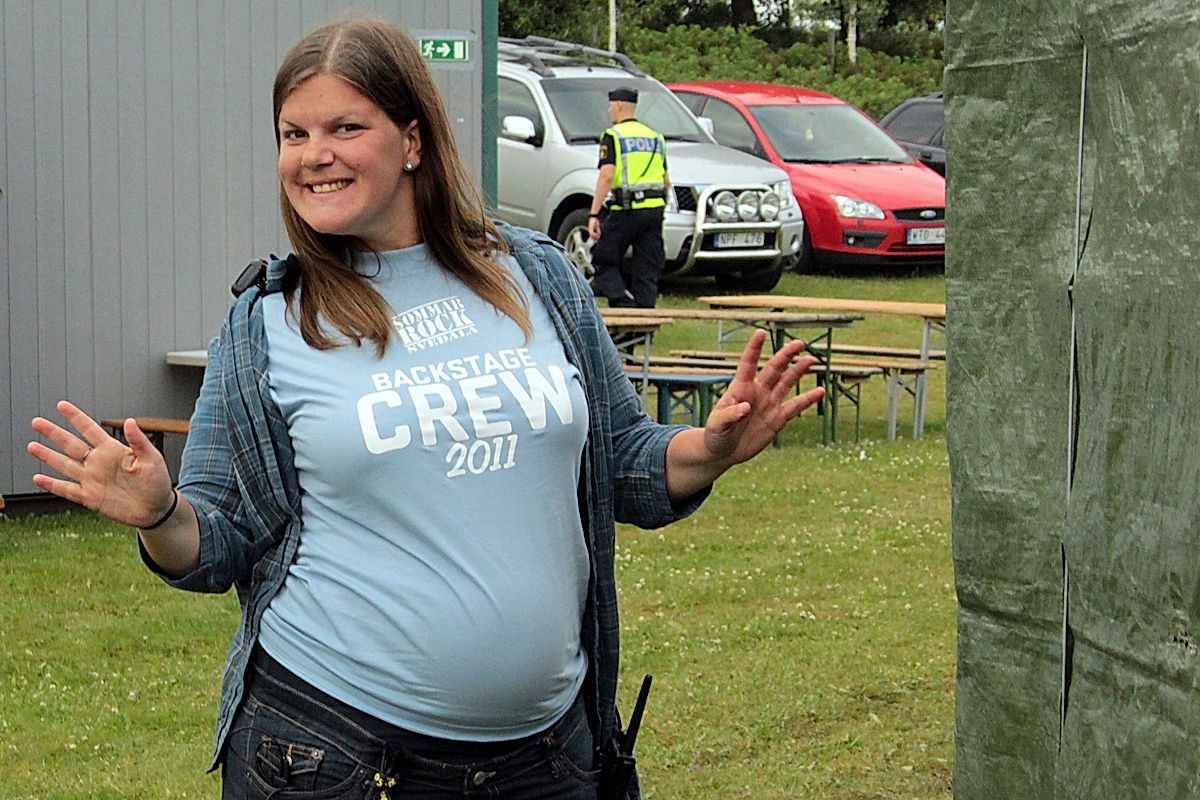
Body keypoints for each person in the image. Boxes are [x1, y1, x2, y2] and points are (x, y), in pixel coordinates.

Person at [27, 18, 825, 800]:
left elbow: (624, 465)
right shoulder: (270, 321)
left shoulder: (536, 277)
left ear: (413, 140)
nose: (314, 156)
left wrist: (709, 449)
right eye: (292, 133)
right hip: (332, 755)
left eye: (345, 126)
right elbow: (216, 541)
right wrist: (159, 511)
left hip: (551, 761)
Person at [588, 87, 669, 309]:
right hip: (654, 210)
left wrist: (594, 214)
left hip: (626, 209)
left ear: (620, 105)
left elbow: (607, 176)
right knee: (647, 268)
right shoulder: (655, 138)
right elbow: (666, 181)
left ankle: (624, 307)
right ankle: (645, 324)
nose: (609, 110)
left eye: (610, 105)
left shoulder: (613, 136)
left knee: (603, 261)